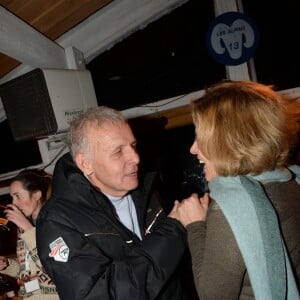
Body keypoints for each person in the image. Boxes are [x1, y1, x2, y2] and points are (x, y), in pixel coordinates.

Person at [36, 106, 207, 300]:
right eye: (118, 151)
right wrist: (174, 230)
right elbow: (99, 295)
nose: (135, 158)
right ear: (86, 164)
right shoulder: (57, 220)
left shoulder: (146, 188)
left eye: (133, 145)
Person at [172, 80, 300, 299]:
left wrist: (195, 225)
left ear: (228, 142)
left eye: (201, 138)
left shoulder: (234, 207)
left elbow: (212, 296)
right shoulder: (290, 181)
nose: (193, 149)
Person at [0, 169, 59, 299]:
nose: (14, 203)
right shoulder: (23, 229)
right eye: (12, 197)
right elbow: (29, 272)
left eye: (18, 196)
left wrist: (28, 229)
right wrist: (7, 264)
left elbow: (56, 266)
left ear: (37, 195)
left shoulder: (55, 223)